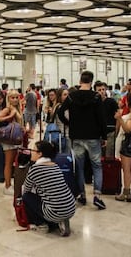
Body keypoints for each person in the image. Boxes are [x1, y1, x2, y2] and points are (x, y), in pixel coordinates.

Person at [57, 71, 107, 210]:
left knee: (78, 166)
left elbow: (60, 112)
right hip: (93, 136)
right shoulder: (96, 97)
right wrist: (104, 136)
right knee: (96, 166)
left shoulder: (72, 96)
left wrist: (69, 123)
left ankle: (82, 195)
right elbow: (101, 118)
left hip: (76, 135)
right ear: (91, 81)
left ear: (80, 80)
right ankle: (97, 196)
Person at [22, 141, 75, 236]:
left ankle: (41, 224)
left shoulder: (35, 169)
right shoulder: (55, 166)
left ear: (40, 154)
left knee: (26, 197)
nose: (31, 153)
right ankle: (59, 220)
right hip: (71, 207)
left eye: (33, 150)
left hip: (54, 211)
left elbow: (26, 189)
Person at [0, 90, 23, 195]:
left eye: (16, 97)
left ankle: (11, 184)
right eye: (12, 97)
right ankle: (7, 185)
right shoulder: (8, 109)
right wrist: (10, 116)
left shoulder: (18, 108)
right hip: (9, 139)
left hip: (16, 138)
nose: (15, 99)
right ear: (8, 98)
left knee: (15, 163)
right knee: (9, 163)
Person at [114, 93, 131, 202]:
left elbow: (128, 129)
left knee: (126, 169)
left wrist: (120, 119)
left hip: (128, 145)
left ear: (128, 102)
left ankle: (126, 192)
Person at [94, 81, 118, 158]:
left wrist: (116, 131)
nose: (101, 92)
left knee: (109, 156)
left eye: (103, 89)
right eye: (99, 90)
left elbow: (117, 116)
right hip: (98, 133)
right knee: (98, 156)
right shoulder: (94, 103)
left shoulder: (111, 102)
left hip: (110, 132)